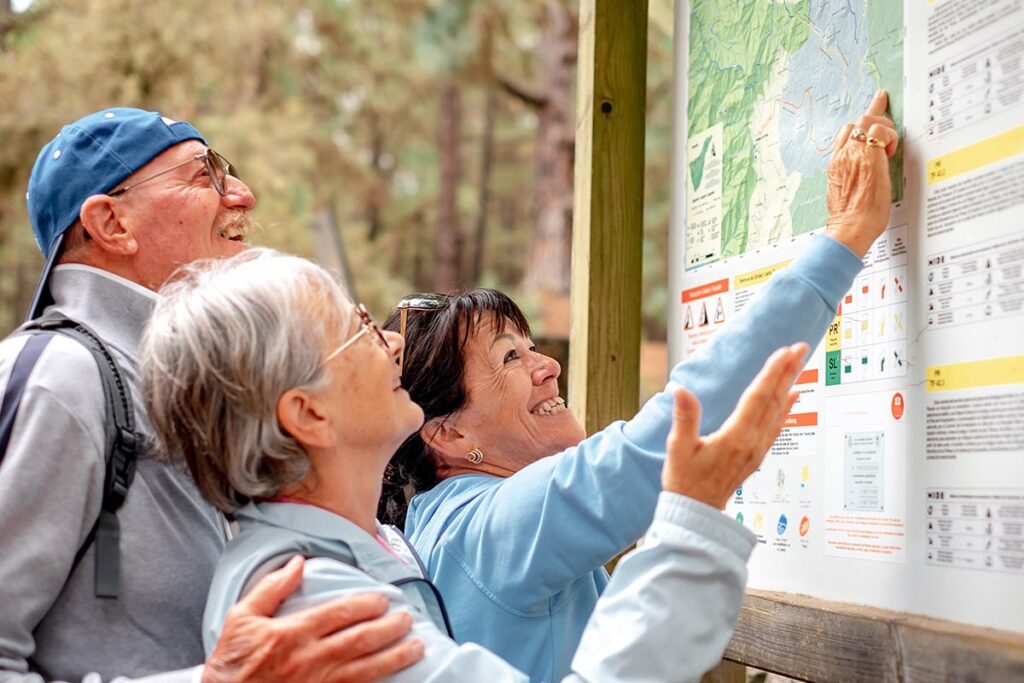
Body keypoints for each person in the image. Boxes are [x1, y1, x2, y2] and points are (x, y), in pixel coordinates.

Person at [377, 90, 901, 680]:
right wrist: (844, 238)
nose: (546, 365)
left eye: (531, 346)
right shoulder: (491, 530)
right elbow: (656, 444)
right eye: (509, 358)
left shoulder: (438, 522)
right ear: (447, 433)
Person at [139, 246, 808, 682]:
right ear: (308, 414)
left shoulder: (365, 553)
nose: (395, 344)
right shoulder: (321, 609)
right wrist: (692, 529)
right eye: (362, 329)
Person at [0, 108, 421, 683]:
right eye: (206, 176)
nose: (244, 196)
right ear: (112, 224)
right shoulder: (61, 377)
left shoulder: (182, 377)